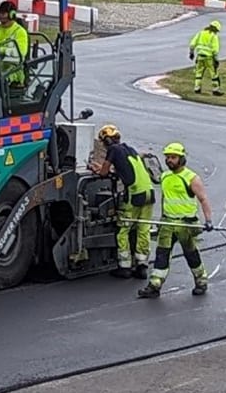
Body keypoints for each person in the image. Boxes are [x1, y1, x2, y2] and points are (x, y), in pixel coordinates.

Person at [138, 142, 214, 299]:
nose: (169, 160)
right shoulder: (165, 176)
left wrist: (208, 220)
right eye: (167, 157)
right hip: (168, 223)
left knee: (191, 254)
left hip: (185, 224)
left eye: (173, 157)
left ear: (182, 159)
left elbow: (203, 199)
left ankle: (201, 281)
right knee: (161, 255)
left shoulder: (191, 178)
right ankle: (155, 285)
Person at [89, 124, 155, 279]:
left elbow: (104, 172)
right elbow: (127, 169)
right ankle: (142, 265)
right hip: (149, 193)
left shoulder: (113, 150)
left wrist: (98, 169)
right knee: (143, 229)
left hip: (134, 195)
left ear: (107, 141)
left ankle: (124, 266)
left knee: (123, 229)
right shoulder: (130, 150)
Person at [0, 1, 29, 86]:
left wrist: (0, 50)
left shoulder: (20, 32)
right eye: (0, 13)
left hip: (12, 73)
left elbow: (21, 52)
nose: (1, 16)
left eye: (3, 13)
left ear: (12, 14)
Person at [189, 20, 222, 95]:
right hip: (209, 58)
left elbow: (192, 43)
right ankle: (215, 89)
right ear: (216, 29)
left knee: (199, 73)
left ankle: (197, 88)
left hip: (200, 56)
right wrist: (216, 60)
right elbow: (215, 50)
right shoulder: (214, 36)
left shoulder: (201, 33)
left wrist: (191, 53)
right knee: (213, 73)